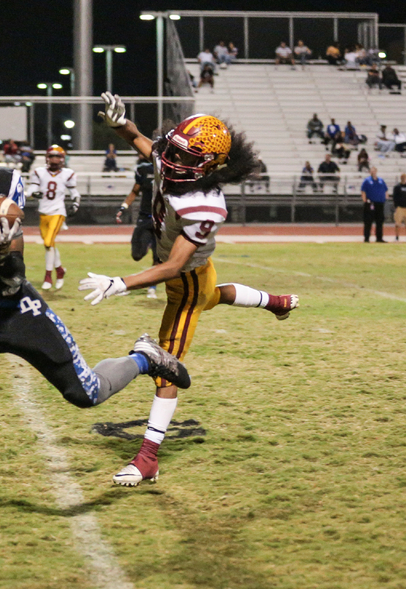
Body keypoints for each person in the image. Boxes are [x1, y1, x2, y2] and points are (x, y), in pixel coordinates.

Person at [0, 105, 190, 548]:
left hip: (15, 307)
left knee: (86, 394)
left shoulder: (1, 180)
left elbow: (13, 269)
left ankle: (143, 357)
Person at [81, 92, 299, 487]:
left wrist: (120, 283)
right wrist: (121, 123)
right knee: (215, 296)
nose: (172, 161)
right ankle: (275, 303)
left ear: (209, 166)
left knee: (165, 367)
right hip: (196, 277)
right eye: (174, 152)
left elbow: (172, 267)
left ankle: (148, 458)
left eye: (184, 158)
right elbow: (143, 144)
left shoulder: (206, 203)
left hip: (187, 279)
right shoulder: (175, 161)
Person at [28, 144, 80, 290]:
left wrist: (75, 204)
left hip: (58, 211)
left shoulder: (68, 173)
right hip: (43, 212)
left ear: (62, 158)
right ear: (47, 158)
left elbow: (74, 192)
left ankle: (48, 276)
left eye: (57, 156)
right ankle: (60, 270)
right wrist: (32, 193)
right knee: (49, 245)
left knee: (48, 242)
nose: (54, 159)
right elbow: (32, 188)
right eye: (52, 156)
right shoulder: (39, 172)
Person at [116, 153, 158, 298]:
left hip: (162, 219)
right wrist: (123, 207)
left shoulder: (170, 170)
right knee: (137, 254)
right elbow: (135, 191)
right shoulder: (143, 170)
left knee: (158, 257)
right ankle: (148, 245)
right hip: (145, 217)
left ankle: (152, 287)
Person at [361, 167, 389, 242]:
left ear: (376, 171)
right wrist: (365, 201)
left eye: (374, 170)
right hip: (371, 203)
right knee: (368, 221)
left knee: (379, 221)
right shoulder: (367, 181)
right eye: (371, 171)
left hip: (380, 203)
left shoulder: (381, 180)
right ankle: (367, 238)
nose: (373, 172)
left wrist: (385, 197)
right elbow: (363, 191)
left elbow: (385, 190)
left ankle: (379, 238)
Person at [393, 173, 406, 241]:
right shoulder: (397, 187)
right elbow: (395, 197)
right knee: (398, 223)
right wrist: (396, 206)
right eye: (402, 177)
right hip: (400, 208)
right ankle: (397, 236)